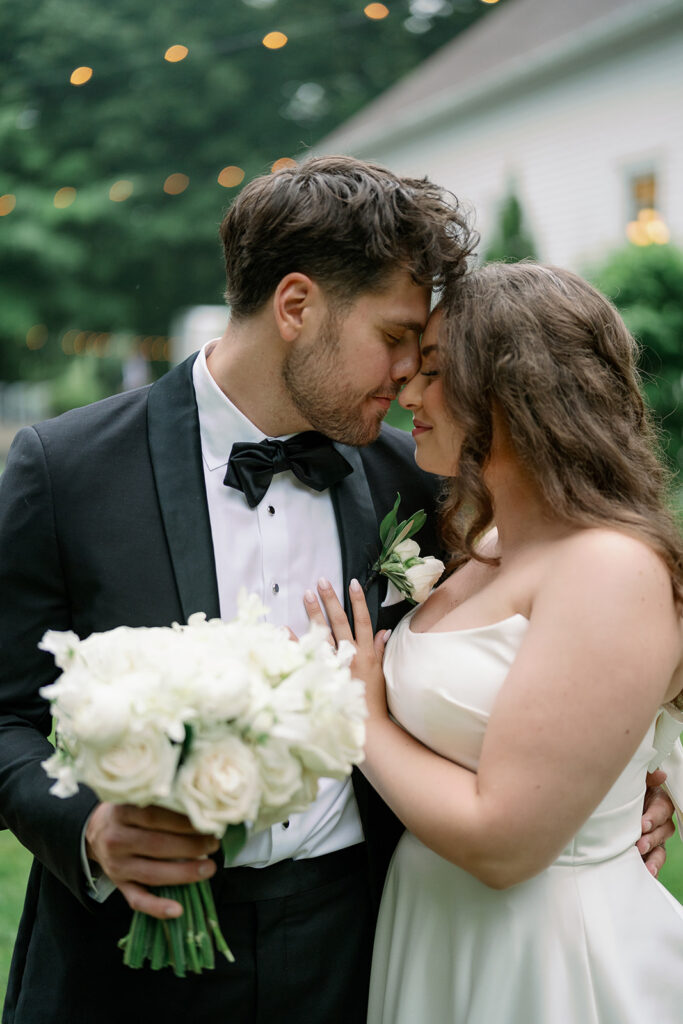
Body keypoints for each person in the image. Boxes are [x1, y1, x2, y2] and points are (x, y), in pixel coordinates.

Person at [0, 160, 672, 1024]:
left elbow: (554, 649)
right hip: (126, 963)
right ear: (295, 306)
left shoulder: (423, 482)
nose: (409, 376)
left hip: (361, 950)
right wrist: (91, 830)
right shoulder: (67, 469)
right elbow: (8, 715)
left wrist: (628, 779)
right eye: (396, 338)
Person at [306, 261, 683, 1023]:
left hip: (547, 955)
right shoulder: (483, 542)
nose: (407, 392)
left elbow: (503, 844)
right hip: (435, 926)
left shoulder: (607, 566)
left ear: (514, 391)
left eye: (436, 373)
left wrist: (359, 714)